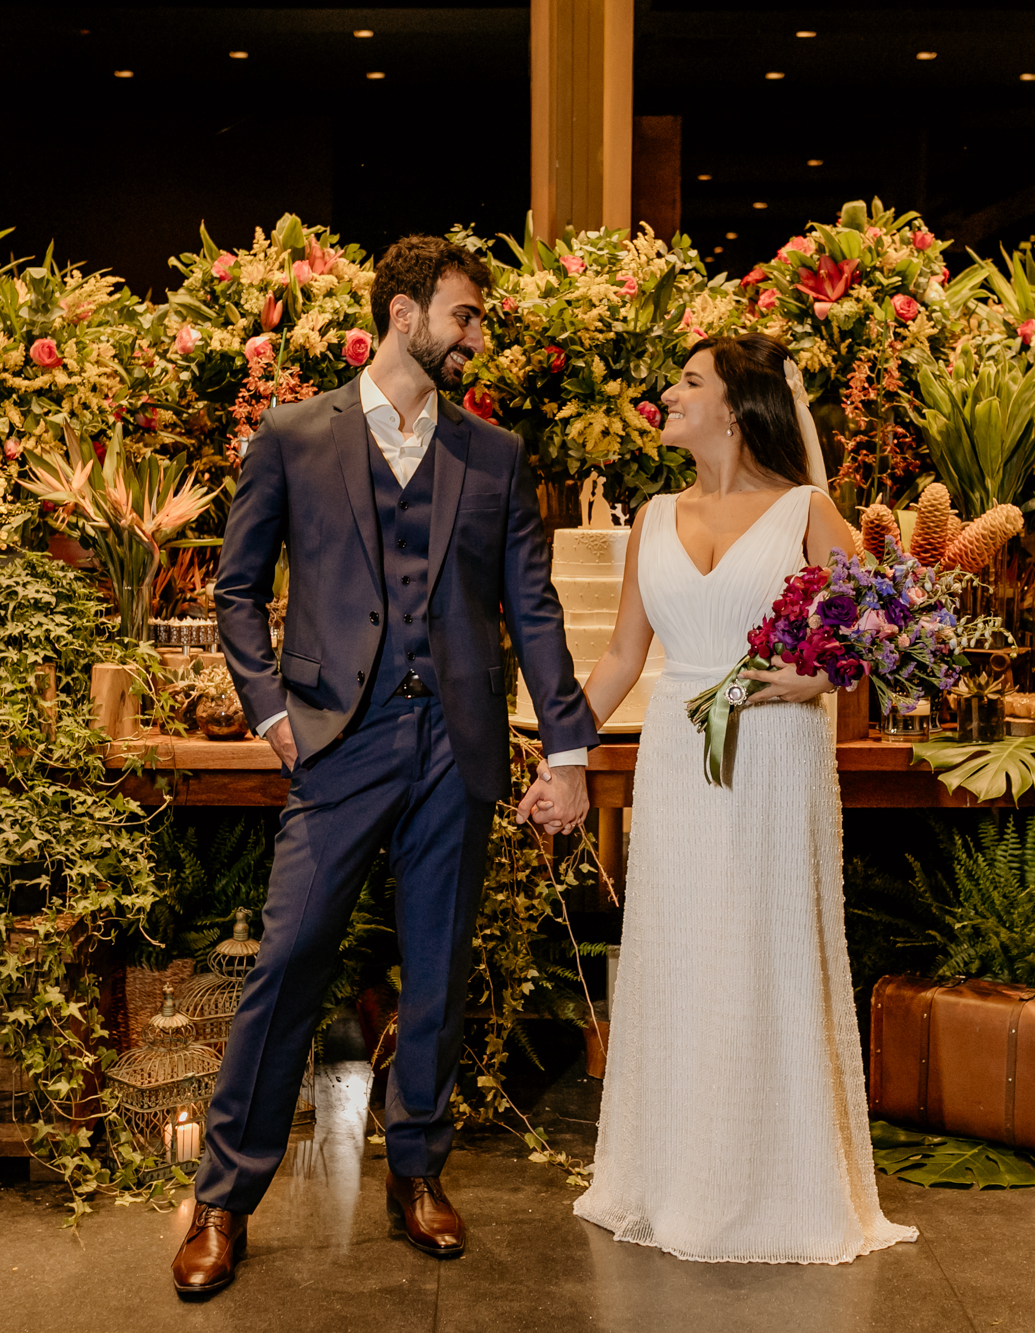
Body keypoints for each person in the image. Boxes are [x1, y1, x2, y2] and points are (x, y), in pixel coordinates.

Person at [177, 236, 601, 1298]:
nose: (475, 336)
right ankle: (223, 1198)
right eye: (463, 315)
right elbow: (235, 589)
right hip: (336, 742)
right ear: (403, 315)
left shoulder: (493, 456)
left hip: (453, 745)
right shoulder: (291, 436)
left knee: (438, 970)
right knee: (289, 962)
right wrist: (268, 706)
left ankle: (416, 1172)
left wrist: (567, 745)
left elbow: (532, 612)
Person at [544, 332, 918, 1263]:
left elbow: (894, 623)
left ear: (739, 406)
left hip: (775, 756)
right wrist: (562, 752)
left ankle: (775, 1183)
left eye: (689, 380)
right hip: (680, 752)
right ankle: (674, 1175)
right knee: (682, 944)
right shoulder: (654, 514)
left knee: (765, 943)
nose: (668, 394)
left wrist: (820, 682)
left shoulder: (805, 509)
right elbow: (627, 656)